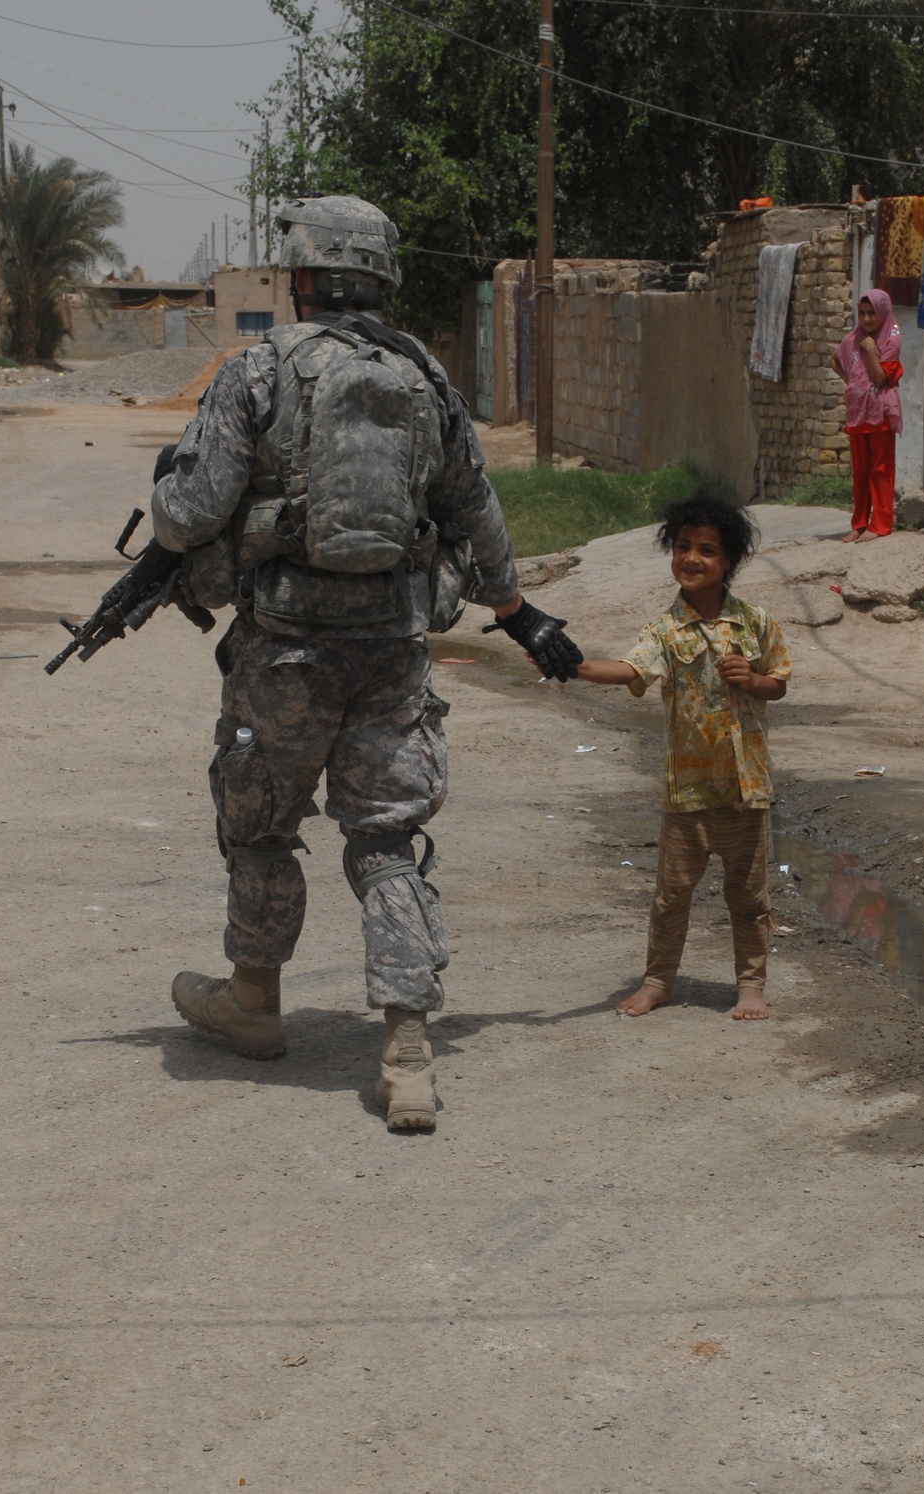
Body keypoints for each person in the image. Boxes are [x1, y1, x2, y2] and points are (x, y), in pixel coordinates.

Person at [150, 195, 582, 1129]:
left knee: (261, 827)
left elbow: (187, 518)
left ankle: (255, 1004)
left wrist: (186, 499)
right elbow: (477, 511)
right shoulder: (427, 380)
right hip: (392, 647)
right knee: (386, 841)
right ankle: (408, 1055)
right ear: (384, 278)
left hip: (284, 652)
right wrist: (518, 613)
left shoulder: (258, 371)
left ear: (298, 278)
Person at [560, 487, 790, 1020]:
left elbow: (778, 684)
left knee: (749, 899)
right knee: (671, 897)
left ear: (728, 560)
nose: (692, 558)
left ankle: (750, 987)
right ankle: (658, 981)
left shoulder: (755, 622)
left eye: (707, 550)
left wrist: (751, 679)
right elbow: (631, 669)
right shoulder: (664, 629)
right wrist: (571, 664)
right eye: (683, 546)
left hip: (745, 789)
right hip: (686, 793)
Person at [829, 288, 903, 543]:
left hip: (880, 413)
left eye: (872, 313)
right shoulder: (853, 339)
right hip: (857, 413)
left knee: (880, 470)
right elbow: (835, 360)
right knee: (860, 470)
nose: (868, 318)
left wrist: (871, 350)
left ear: (883, 312)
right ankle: (859, 523)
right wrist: (853, 384)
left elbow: (881, 378)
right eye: (862, 313)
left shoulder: (891, 338)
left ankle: (880, 524)